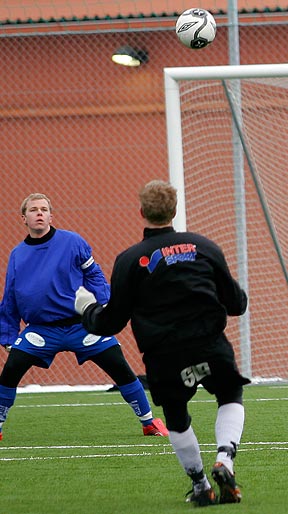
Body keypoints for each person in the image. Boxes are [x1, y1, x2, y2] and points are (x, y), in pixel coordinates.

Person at [76, 180, 249, 506]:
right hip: (210, 344)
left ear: (142, 212)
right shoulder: (205, 247)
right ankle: (225, 460)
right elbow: (237, 304)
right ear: (174, 210)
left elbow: (111, 322)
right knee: (229, 394)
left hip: (165, 354)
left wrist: (86, 308)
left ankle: (200, 486)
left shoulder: (130, 259)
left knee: (177, 415)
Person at [0, 193, 167, 442]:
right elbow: (10, 297)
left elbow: (95, 275)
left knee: (119, 366)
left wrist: (105, 307)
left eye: (44, 209)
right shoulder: (17, 254)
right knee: (11, 369)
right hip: (41, 330)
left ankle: (148, 421)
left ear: (51, 215)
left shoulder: (72, 242)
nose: (39, 213)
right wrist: (8, 333)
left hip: (82, 326)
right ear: (23, 218)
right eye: (33, 210)